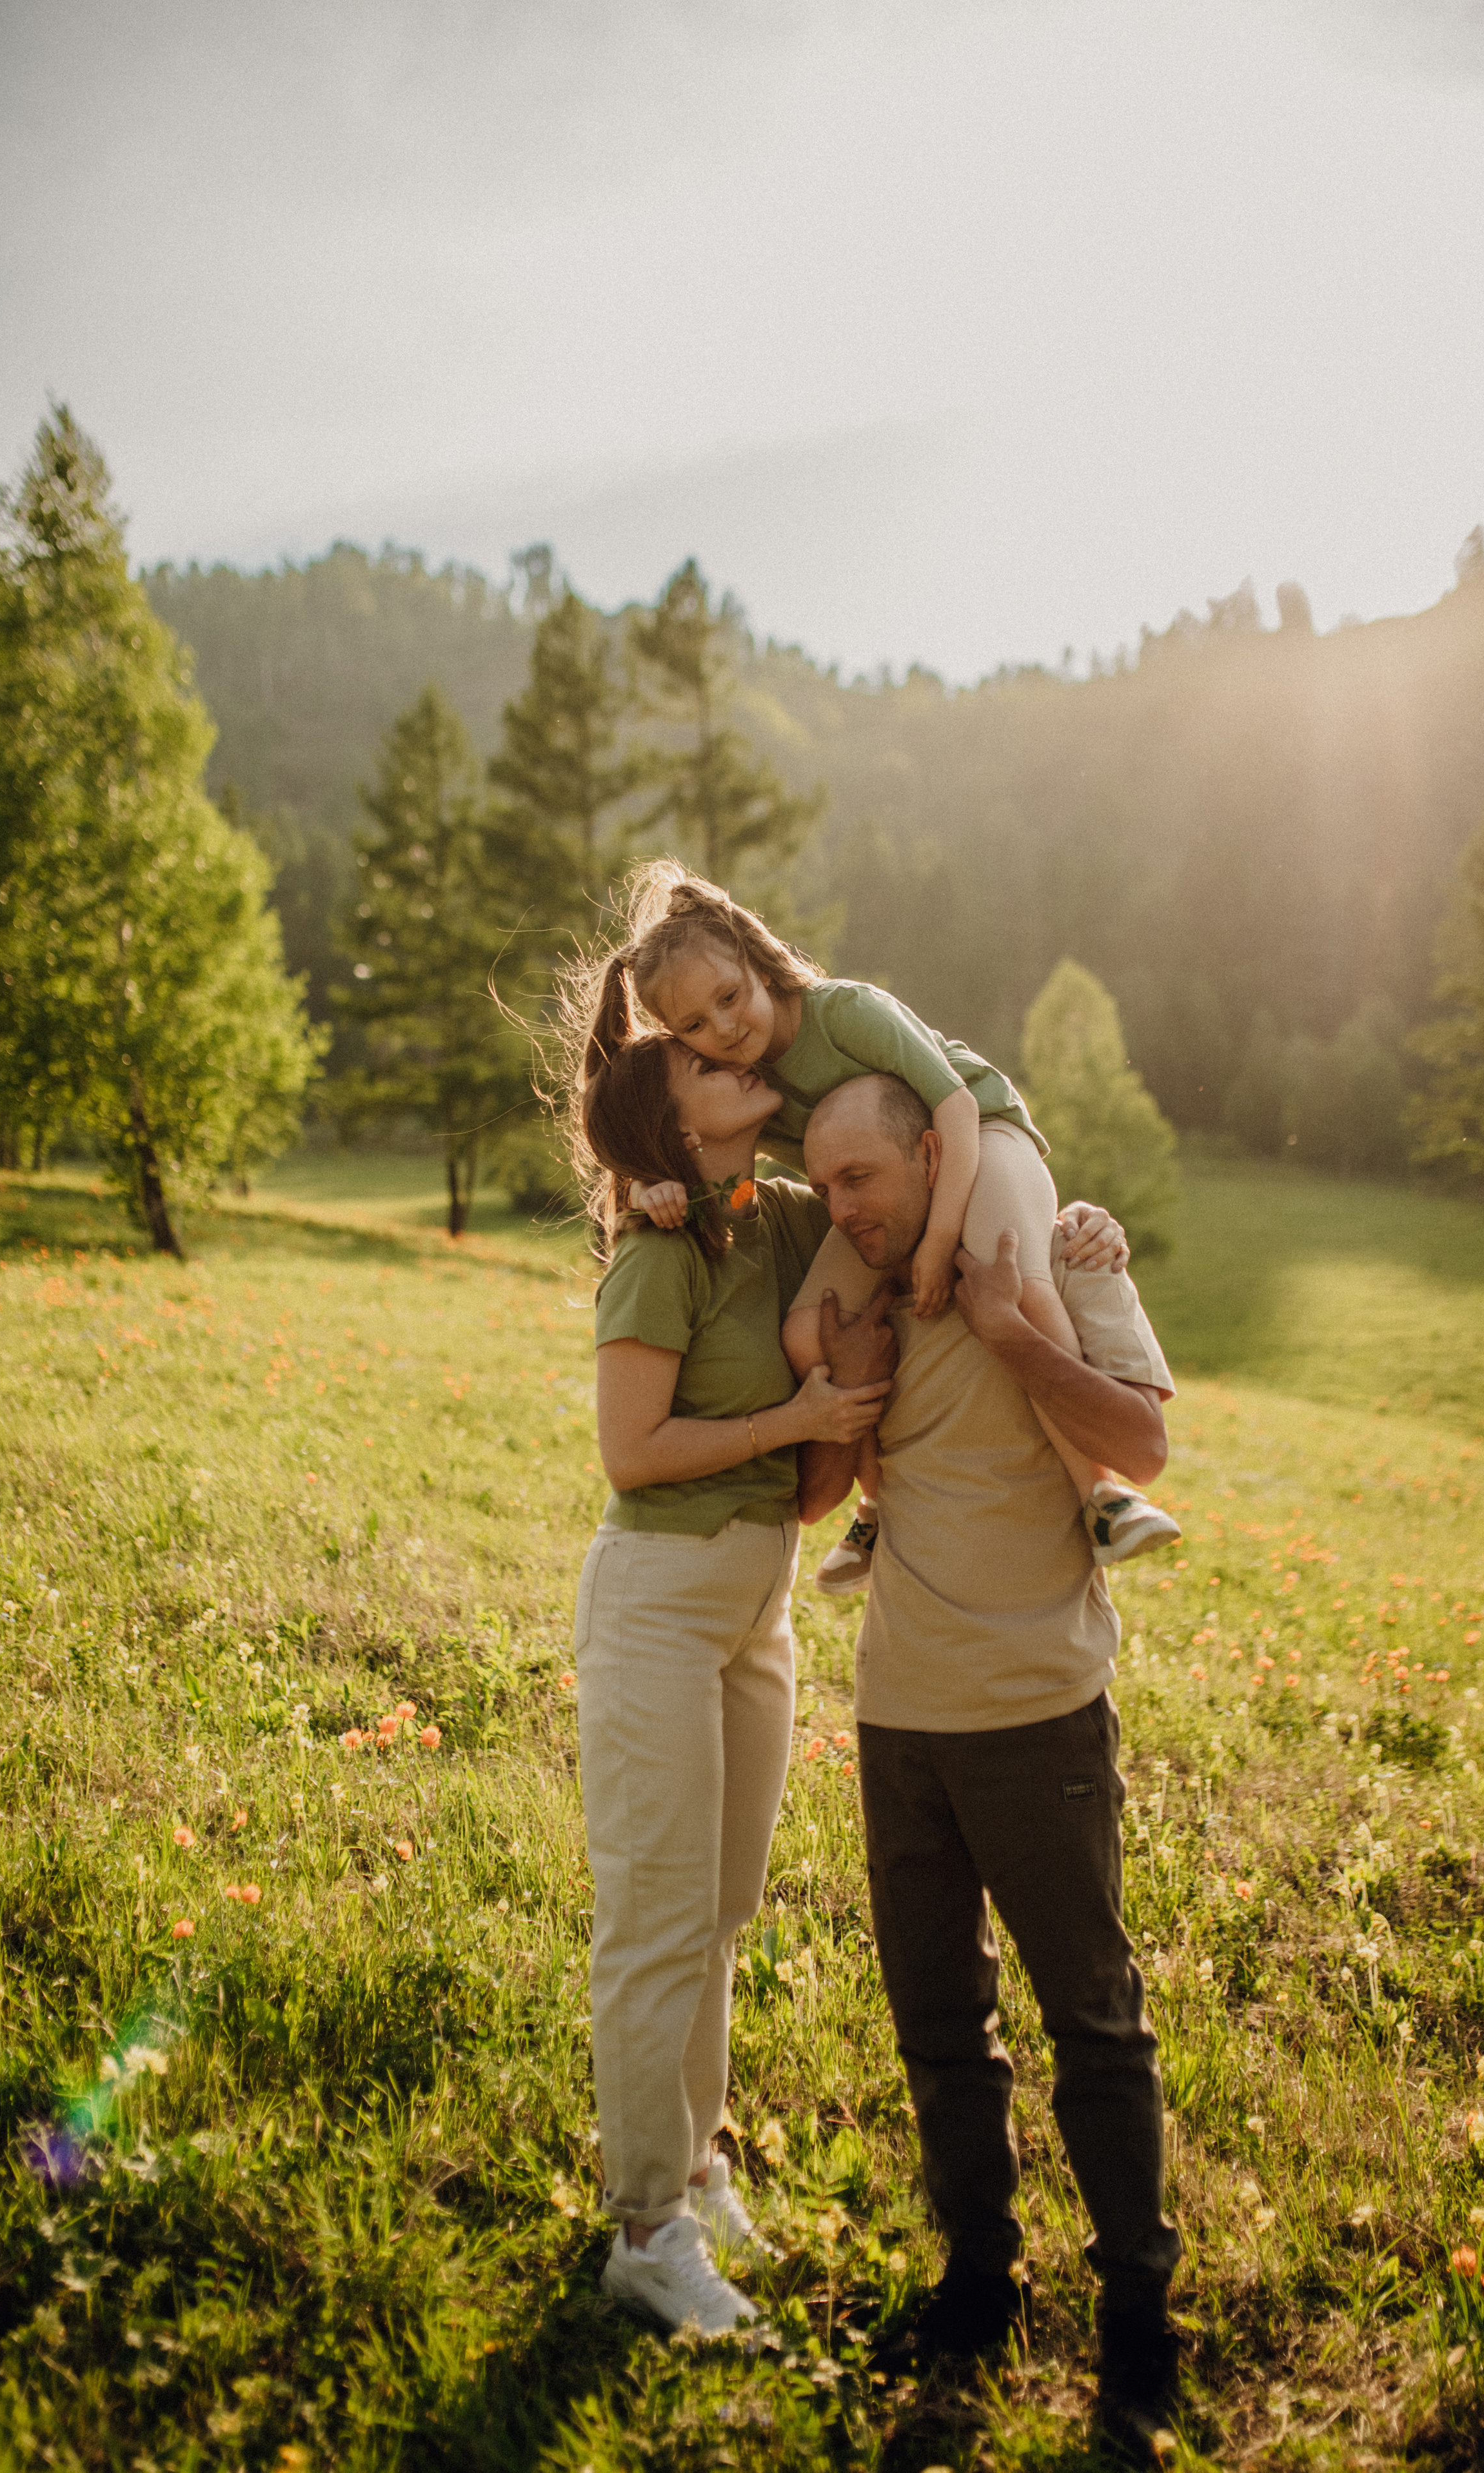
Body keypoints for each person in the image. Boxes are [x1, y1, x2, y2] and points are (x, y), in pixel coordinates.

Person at [796, 1071, 1184, 2456]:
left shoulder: (1048, 1253)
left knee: (1090, 2020)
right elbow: (816, 1499)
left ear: (931, 1154)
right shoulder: (861, 1289)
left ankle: (1138, 2314)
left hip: (1035, 1717)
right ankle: (978, 2280)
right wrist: (840, 1398)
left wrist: (1018, 1336)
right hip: (898, 1718)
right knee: (935, 2025)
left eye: (863, 1180)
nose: (843, 1208)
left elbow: (1141, 1442)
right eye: (824, 1185)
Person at [564, 960, 893, 2338]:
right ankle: (644, 2232)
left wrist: (1075, 1232)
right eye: (703, 1061)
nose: (734, 1053)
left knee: (722, 1912)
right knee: (651, 1928)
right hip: (655, 1601)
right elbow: (630, 1455)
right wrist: (791, 1421)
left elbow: (889, 1176)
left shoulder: (780, 1214)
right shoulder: (656, 1251)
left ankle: (694, 2164)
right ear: (670, 1118)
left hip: (755, 1605)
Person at [613, 861, 1179, 1596]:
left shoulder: (842, 1013)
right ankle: (875, 1506)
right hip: (890, 1183)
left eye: (730, 997)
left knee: (1018, 1286)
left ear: (756, 962)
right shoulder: (748, 1083)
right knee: (805, 1334)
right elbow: (694, 1156)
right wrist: (645, 1187)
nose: (723, 1028)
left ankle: (1099, 1495)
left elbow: (957, 1111)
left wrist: (941, 1246)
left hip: (984, 1137)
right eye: (694, 1025)